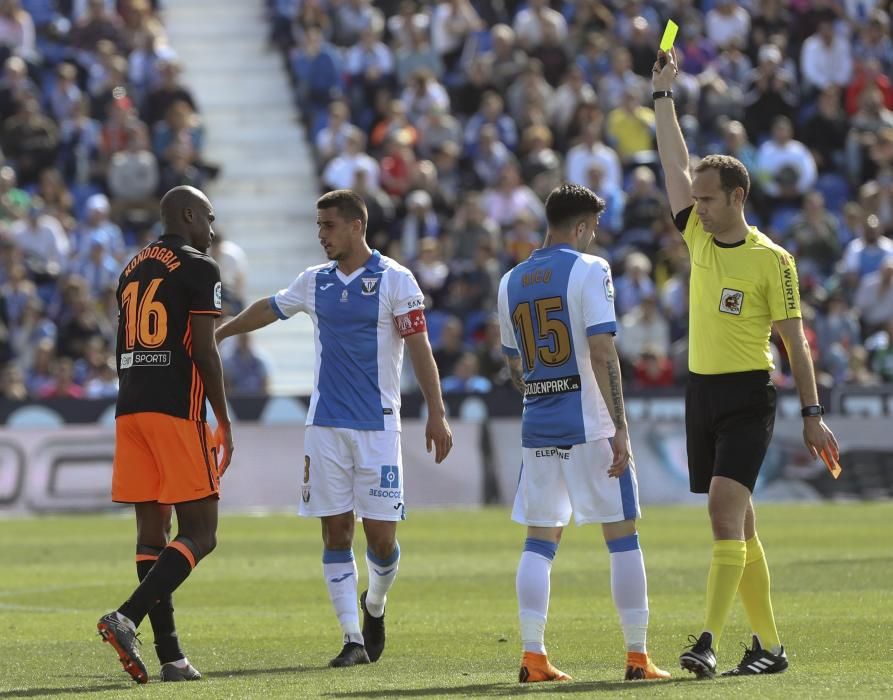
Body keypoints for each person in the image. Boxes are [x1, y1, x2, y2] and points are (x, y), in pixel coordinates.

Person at [652, 48, 838, 678]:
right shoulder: (699, 236)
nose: (695, 208)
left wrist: (813, 413)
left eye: (706, 199)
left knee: (722, 514)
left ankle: (706, 640)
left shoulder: (773, 260)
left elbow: (796, 343)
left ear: (737, 197)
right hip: (700, 391)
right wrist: (663, 95)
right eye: (695, 200)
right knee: (743, 524)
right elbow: (674, 163)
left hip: (748, 395)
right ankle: (770, 648)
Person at [214, 189, 452, 668]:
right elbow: (270, 307)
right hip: (324, 428)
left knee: (382, 541)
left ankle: (375, 606)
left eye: (328, 225)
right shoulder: (314, 281)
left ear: (356, 226)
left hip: (378, 428)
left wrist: (436, 411)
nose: (320, 234)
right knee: (336, 532)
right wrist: (221, 332)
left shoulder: (395, 280)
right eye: (318, 226)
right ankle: (351, 640)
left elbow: (420, 348)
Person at [497, 183, 670, 684]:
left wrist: (544, 389)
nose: (594, 237)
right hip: (590, 423)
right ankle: (637, 657)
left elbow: (514, 366)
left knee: (539, 541)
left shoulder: (510, 280)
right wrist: (620, 427)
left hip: (539, 424)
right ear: (578, 227)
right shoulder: (590, 270)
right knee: (622, 537)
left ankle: (533, 656)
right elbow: (602, 351)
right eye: (591, 228)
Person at [96, 185, 234, 684]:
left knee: (151, 536)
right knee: (202, 533)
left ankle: (171, 657)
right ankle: (126, 616)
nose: (213, 230)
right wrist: (222, 416)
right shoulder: (200, 267)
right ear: (189, 214)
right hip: (177, 409)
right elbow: (204, 350)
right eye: (210, 219)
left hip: (130, 407)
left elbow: (120, 347)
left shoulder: (130, 268)